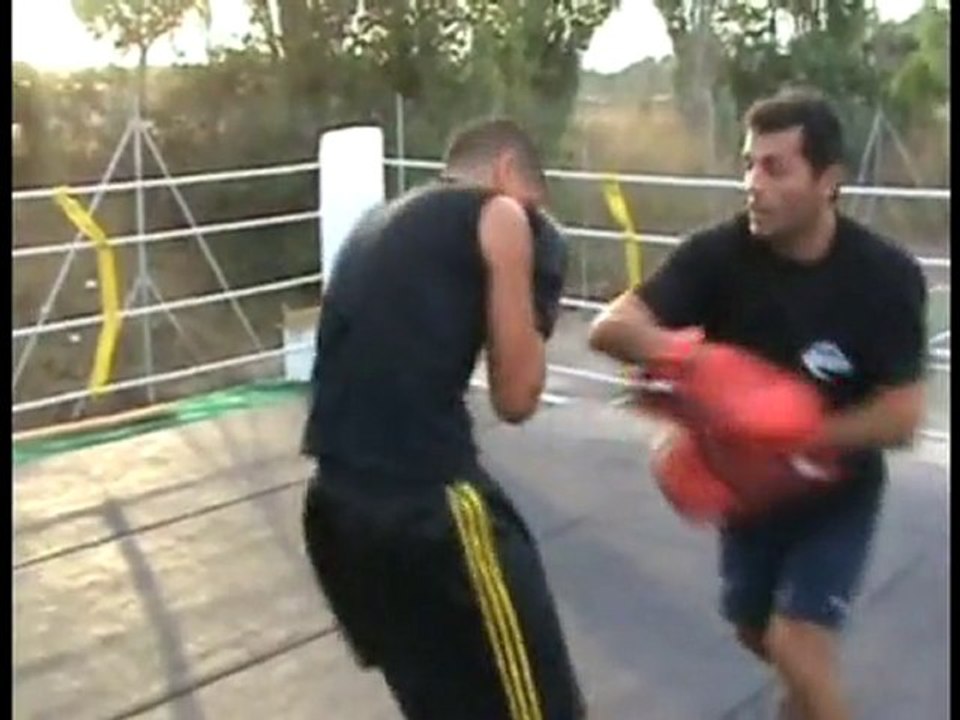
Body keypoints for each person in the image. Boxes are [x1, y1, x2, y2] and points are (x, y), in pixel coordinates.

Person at [588, 88, 927, 720]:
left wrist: (794, 433)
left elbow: (903, 415)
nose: (753, 183)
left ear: (828, 181)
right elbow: (609, 327)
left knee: (798, 649)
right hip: (743, 490)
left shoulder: (883, 277)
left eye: (775, 168)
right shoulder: (718, 256)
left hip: (836, 491)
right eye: (748, 164)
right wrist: (697, 367)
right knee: (753, 627)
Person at [300, 118, 584, 720]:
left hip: (336, 513)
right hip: (428, 512)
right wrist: (531, 278)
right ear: (506, 172)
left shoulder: (378, 223)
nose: (529, 222)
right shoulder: (502, 215)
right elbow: (517, 397)